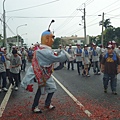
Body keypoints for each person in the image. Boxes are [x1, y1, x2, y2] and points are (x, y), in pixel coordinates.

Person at [21, 21, 71, 113]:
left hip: (46, 74)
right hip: (39, 74)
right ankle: (35, 106)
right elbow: (55, 58)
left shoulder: (44, 50)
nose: (53, 40)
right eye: (52, 38)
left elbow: (54, 56)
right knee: (40, 90)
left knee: (52, 88)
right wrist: (65, 55)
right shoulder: (42, 51)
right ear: (46, 38)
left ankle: (47, 104)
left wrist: (61, 53)